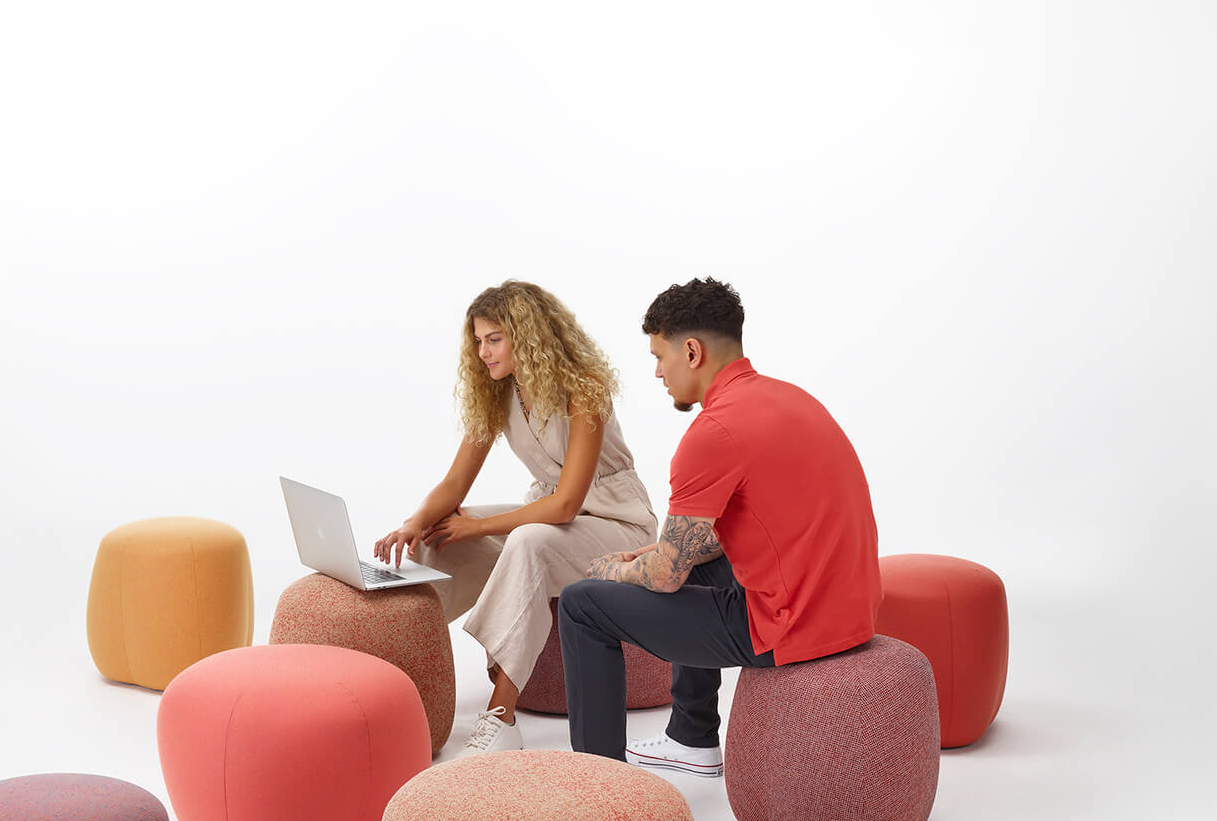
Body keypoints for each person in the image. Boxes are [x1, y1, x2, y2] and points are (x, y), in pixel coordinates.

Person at [556, 277, 881, 773]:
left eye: (659, 357)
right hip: (849, 610)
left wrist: (612, 570)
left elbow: (665, 576)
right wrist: (660, 554)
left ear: (691, 352)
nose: (658, 372)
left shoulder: (713, 432)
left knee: (582, 604)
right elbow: (748, 531)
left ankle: (599, 782)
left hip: (792, 628)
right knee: (694, 563)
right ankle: (692, 738)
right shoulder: (792, 399)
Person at [374, 280, 658, 755]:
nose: (483, 352)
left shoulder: (584, 389)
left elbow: (567, 504)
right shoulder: (498, 393)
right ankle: (408, 672)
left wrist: (479, 526)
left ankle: (501, 716)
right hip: (551, 517)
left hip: (616, 521)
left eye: (494, 339)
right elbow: (454, 484)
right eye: (478, 341)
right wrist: (413, 523)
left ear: (527, 337)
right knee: (438, 535)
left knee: (525, 541)